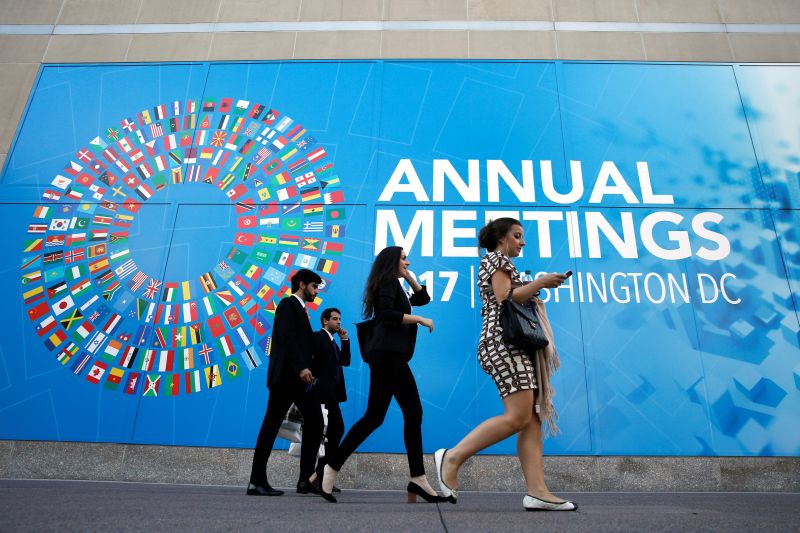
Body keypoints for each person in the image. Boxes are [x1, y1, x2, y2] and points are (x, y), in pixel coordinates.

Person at [433, 218, 577, 512]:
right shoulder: (496, 259)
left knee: (532, 419)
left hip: (511, 346)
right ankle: (453, 457)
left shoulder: (498, 262)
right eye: (518, 236)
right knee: (518, 417)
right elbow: (504, 298)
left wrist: (537, 286)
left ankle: (538, 491)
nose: (522, 242)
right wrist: (541, 282)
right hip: (503, 345)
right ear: (501, 238)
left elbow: (512, 296)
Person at [319, 246, 444, 503]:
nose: (408, 262)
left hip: (390, 355)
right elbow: (386, 315)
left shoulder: (394, 284)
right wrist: (419, 319)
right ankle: (331, 467)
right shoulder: (386, 282)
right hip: (388, 355)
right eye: (404, 258)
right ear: (391, 262)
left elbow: (423, 299)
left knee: (387, 415)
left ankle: (417, 479)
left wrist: (408, 276)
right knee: (388, 415)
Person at [247, 268, 325, 496]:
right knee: (271, 425)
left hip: (298, 380)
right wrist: (301, 367)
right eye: (314, 286)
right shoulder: (288, 305)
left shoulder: (300, 310)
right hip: (287, 378)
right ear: (302, 284)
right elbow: (287, 337)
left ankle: (304, 480)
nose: (316, 291)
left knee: (315, 421)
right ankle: (256, 481)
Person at [307, 307, 351, 493]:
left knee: (335, 432)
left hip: (332, 395)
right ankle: (317, 475)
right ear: (325, 321)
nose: (339, 322)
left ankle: (320, 475)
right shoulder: (318, 337)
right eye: (335, 319)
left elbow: (345, 361)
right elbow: (311, 362)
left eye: (340, 319)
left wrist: (345, 340)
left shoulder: (333, 341)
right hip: (321, 395)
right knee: (332, 431)